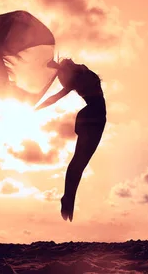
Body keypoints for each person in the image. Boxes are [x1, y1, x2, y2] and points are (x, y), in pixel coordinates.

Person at [35, 58, 107, 222]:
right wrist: (35, 108)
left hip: (90, 116)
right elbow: (54, 97)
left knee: (78, 163)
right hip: (94, 116)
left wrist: (57, 66)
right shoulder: (80, 74)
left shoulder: (77, 75)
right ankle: (68, 199)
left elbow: (55, 97)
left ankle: (68, 198)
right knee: (79, 163)